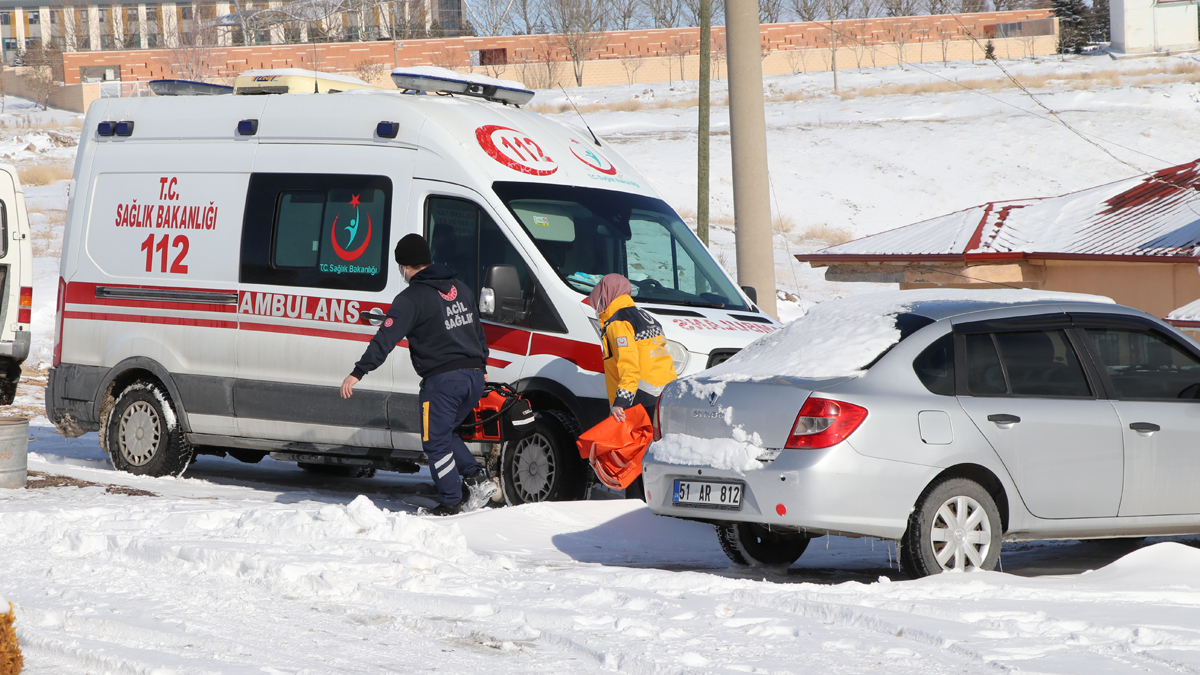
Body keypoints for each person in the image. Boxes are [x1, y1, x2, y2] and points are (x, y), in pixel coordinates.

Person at [341, 233, 495, 516]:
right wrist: (482, 367)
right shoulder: (460, 288)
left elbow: (385, 338)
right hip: (473, 378)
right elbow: (477, 330)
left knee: (435, 441)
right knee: (445, 433)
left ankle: (451, 502)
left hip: (443, 382)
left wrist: (359, 371)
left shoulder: (411, 298)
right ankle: (477, 479)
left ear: (403, 266)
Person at [587, 274, 677, 500]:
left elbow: (629, 366)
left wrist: (621, 402)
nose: (597, 306)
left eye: (598, 299)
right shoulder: (645, 317)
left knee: (635, 461)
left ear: (606, 295)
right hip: (663, 394)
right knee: (655, 459)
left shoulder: (618, 323)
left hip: (640, 398)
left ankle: (637, 510)